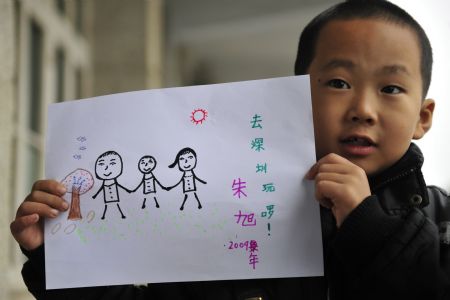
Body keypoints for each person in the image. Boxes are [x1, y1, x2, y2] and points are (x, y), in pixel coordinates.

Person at [9, 0, 450, 299]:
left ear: (422, 117)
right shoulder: (231, 212)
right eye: (338, 82)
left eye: (391, 87)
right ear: (293, 96)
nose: (363, 109)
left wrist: (367, 225)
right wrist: (57, 259)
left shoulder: (442, 220)